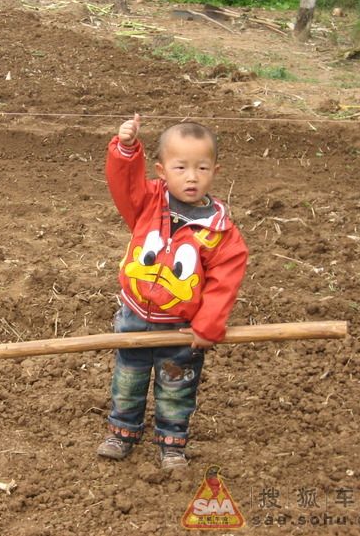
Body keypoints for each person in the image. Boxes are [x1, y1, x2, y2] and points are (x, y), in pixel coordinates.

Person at [98, 114, 248, 469]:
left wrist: (206, 328)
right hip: (135, 316)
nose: (192, 177)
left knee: (176, 386)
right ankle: (122, 432)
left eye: (202, 168)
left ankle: (172, 443)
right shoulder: (147, 203)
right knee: (128, 379)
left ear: (215, 171)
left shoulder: (220, 233)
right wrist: (126, 149)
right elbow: (124, 183)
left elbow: (223, 283)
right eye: (181, 167)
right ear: (162, 170)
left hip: (181, 329)